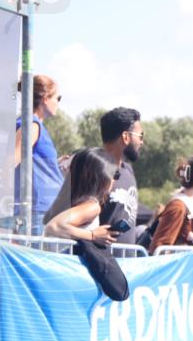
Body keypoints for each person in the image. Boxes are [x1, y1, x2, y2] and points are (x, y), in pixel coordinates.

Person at [45, 107, 145, 243]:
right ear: (126, 137)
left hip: (123, 262)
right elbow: (57, 220)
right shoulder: (90, 170)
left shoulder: (128, 170)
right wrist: (92, 236)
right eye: (140, 136)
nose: (142, 142)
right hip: (95, 260)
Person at [14, 74, 65, 235]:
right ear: (45, 97)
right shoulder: (32, 125)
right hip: (37, 211)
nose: (58, 103)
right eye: (58, 97)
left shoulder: (35, 125)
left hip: (43, 209)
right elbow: (12, 160)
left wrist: (54, 165)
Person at [43, 147, 120, 245]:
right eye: (115, 174)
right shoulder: (92, 206)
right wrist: (92, 235)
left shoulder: (65, 200)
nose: (115, 180)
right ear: (102, 177)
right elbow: (53, 227)